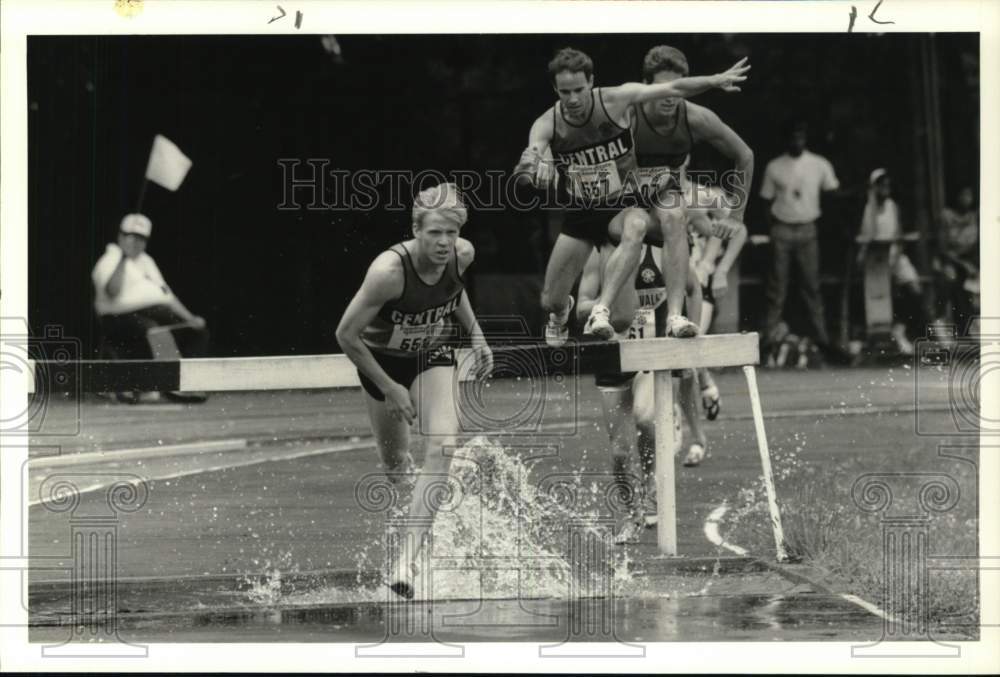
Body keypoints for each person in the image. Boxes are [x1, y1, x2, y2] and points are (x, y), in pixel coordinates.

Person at [515, 47, 749, 346]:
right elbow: (534, 152)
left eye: (579, 89)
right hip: (581, 212)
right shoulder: (547, 121)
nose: (573, 99)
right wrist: (536, 163)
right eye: (564, 92)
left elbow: (674, 87)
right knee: (551, 300)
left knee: (624, 316)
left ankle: (645, 312)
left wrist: (715, 80)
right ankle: (561, 315)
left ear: (591, 82)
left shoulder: (615, 99)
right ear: (555, 90)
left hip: (619, 207)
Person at [335, 183, 492, 600]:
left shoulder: (463, 255)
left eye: (451, 233)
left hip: (431, 353)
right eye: (434, 233)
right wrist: (388, 387)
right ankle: (406, 538)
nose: (444, 243)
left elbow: (451, 292)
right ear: (415, 230)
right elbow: (346, 335)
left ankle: (408, 560)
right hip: (381, 362)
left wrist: (476, 336)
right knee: (396, 467)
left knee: (443, 445)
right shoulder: (388, 272)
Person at [630, 44, 753, 416]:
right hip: (632, 214)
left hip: (672, 213)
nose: (671, 97)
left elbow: (744, 155)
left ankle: (692, 361)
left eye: (679, 87)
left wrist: (736, 216)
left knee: (685, 244)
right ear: (647, 86)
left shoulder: (696, 117)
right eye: (663, 89)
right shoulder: (628, 115)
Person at [577, 241, 710, 544]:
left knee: (647, 418)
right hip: (614, 355)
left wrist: (695, 335)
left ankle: (650, 484)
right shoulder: (601, 252)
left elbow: (694, 288)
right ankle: (630, 515)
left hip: (653, 355)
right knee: (620, 452)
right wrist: (606, 304)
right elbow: (582, 302)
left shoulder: (664, 247)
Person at [91, 213, 209, 402]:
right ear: (121, 236)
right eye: (132, 236)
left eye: (142, 238)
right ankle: (171, 386)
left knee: (196, 331)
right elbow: (112, 292)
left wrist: (190, 318)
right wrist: (123, 258)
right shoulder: (110, 258)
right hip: (118, 318)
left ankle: (191, 383)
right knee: (155, 329)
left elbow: (167, 295)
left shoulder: (146, 261)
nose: (136, 242)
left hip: (154, 313)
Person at [759, 120, 840, 362]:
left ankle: (823, 342)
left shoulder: (818, 164)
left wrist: (824, 226)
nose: (797, 141)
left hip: (808, 229)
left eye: (801, 136)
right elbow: (766, 200)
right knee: (777, 289)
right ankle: (767, 344)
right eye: (793, 136)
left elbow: (832, 193)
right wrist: (772, 227)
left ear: (806, 138)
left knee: (812, 287)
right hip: (782, 229)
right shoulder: (775, 166)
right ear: (787, 139)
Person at [855, 168, 928, 354]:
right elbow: (867, 235)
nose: (885, 188)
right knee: (879, 297)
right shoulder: (866, 209)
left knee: (915, 289)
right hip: (875, 261)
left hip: (895, 256)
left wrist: (895, 255)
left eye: (887, 184)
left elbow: (899, 234)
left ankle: (901, 330)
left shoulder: (893, 206)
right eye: (880, 185)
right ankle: (879, 337)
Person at [933, 185, 979, 337]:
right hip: (949, 260)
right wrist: (963, 264)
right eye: (963, 195)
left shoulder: (975, 216)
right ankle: (940, 324)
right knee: (950, 279)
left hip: (970, 263)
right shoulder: (946, 216)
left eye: (969, 195)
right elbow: (942, 248)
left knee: (975, 287)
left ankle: (970, 329)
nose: (966, 199)